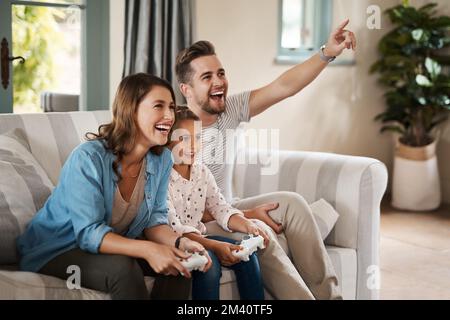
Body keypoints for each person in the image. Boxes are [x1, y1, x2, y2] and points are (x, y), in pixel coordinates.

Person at [174, 20, 357, 299]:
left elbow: (284, 86)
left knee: (294, 204)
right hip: (199, 220)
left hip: (228, 207)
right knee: (259, 234)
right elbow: (182, 208)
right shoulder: (175, 131)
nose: (219, 81)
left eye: (221, 73)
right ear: (186, 90)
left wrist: (326, 53)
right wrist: (247, 216)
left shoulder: (229, 109)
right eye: (207, 77)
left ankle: (330, 296)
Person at [17, 73, 210, 300]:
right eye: (158, 106)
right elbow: (88, 233)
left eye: (171, 107)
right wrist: (149, 249)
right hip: (57, 249)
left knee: (179, 266)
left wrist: (180, 243)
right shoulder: (88, 158)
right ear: (131, 109)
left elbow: (154, 221)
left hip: (108, 244)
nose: (169, 116)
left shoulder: (162, 160)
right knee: (122, 269)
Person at [167, 107, 266, 300]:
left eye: (197, 138)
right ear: (168, 141)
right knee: (209, 263)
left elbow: (221, 208)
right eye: (184, 139)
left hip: (201, 238)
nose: (193, 146)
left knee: (246, 256)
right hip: (176, 243)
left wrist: (249, 225)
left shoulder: (202, 172)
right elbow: (175, 229)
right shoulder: (162, 178)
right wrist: (214, 246)